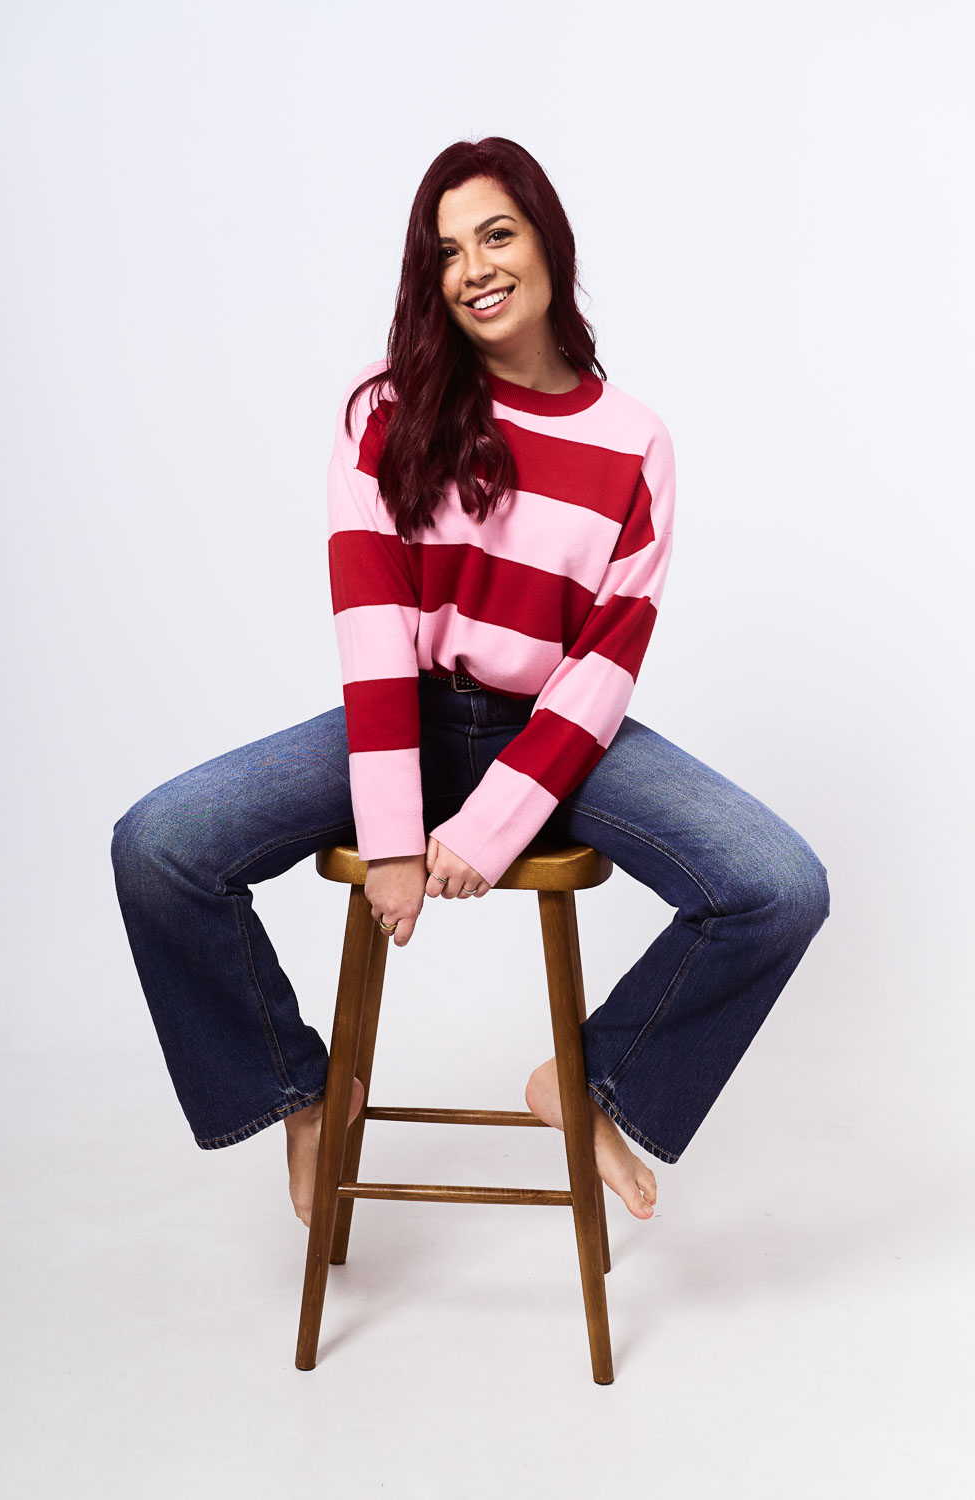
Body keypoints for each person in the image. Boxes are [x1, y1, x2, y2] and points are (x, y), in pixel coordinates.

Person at [111, 136, 829, 1232]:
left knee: (778, 886)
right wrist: (396, 835)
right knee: (160, 845)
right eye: (446, 251)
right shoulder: (388, 412)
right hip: (402, 717)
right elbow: (371, 631)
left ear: (547, 241)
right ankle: (305, 1093)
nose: (474, 267)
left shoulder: (634, 442)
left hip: (552, 738)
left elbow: (604, 662)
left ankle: (590, 1081)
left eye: (496, 234)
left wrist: (492, 827)